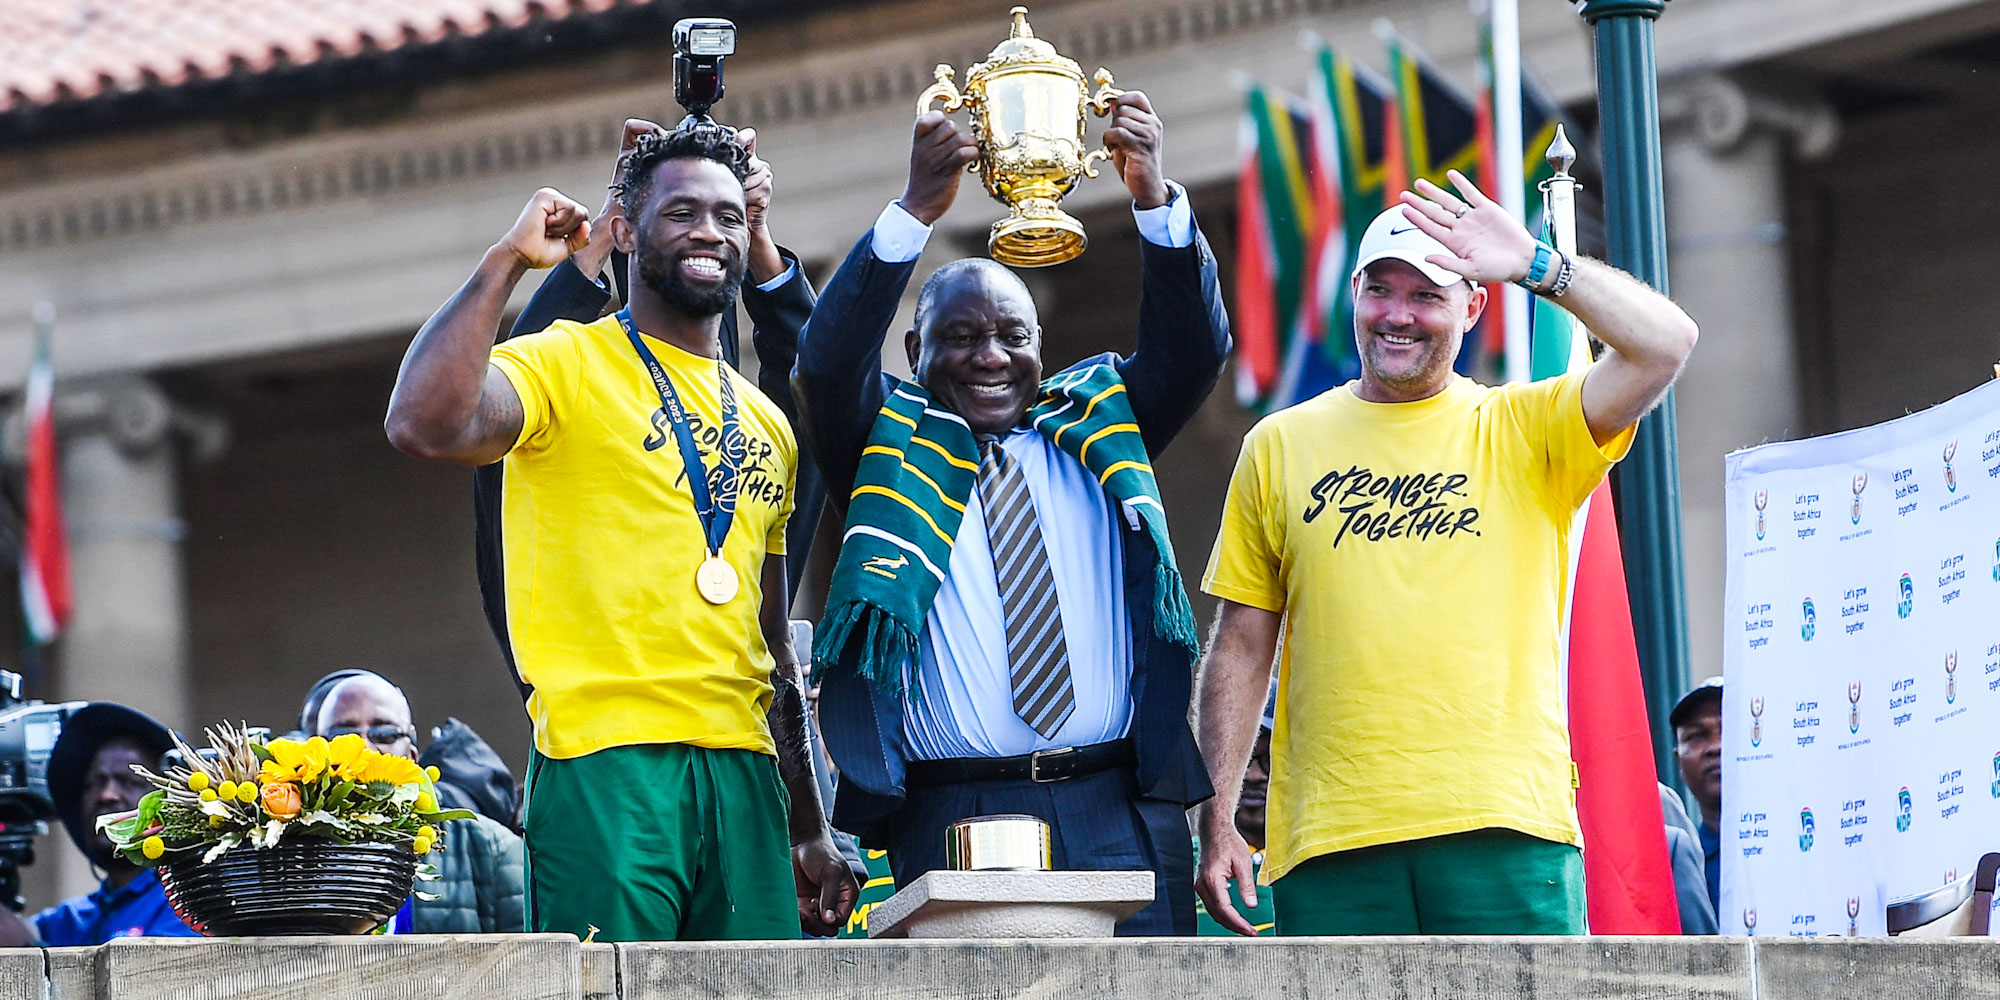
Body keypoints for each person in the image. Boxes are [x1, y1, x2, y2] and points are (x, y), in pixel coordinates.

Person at [1195, 170, 1700, 936]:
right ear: (1354, 295)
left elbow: (1666, 346)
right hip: (1330, 840)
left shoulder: (1528, 427)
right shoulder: (1277, 444)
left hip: (1504, 826)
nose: (1398, 316)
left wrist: (1540, 264)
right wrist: (1218, 813)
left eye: (1427, 295)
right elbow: (1241, 641)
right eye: (1380, 291)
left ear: (1473, 304)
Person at [384, 125, 855, 940]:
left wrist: (807, 823)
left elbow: (774, 642)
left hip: (747, 778)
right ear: (627, 231)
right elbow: (424, 421)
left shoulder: (771, 424)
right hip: (607, 763)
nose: (710, 230)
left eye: (728, 215)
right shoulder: (563, 361)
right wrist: (507, 262)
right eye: (680, 212)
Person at [798, 91, 1227, 935]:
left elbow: (1194, 350)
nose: (990, 357)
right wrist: (917, 210)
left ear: (1039, 346)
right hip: (951, 812)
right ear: (916, 353)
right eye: (959, 338)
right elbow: (826, 361)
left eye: (1012, 336)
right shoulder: (887, 443)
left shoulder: (1096, 424)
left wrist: (1153, 200)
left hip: (1116, 806)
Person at [313, 672, 525, 934]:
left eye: (385, 733)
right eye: (343, 734)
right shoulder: (286, 851)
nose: (364, 747)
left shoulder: (493, 848)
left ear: (412, 756)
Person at [19, 703, 199, 945]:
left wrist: (31, 947)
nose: (107, 795)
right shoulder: (66, 923)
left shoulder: (190, 901)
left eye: (128, 781)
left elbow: (160, 977)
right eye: (94, 782)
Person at [1195, 680, 1276, 936]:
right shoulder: (1187, 863)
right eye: (1244, 760)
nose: (1253, 775)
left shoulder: (1316, 867)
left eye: (1269, 760)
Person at [1672, 676, 1724, 917]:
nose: (1715, 746)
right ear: (1678, 760)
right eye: (1697, 735)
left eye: (1729, 728)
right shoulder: (1676, 861)